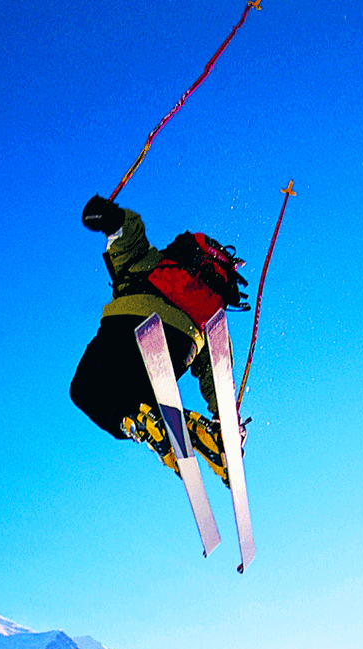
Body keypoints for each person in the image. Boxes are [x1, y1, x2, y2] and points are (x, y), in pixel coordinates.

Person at [71, 194, 241, 484]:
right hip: (179, 346)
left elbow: (129, 230)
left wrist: (108, 216)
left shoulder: (149, 259)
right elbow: (217, 370)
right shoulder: (209, 310)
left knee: (87, 389)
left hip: (128, 329)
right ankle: (206, 435)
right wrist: (227, 418)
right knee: (142, 400)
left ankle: (142, 423)